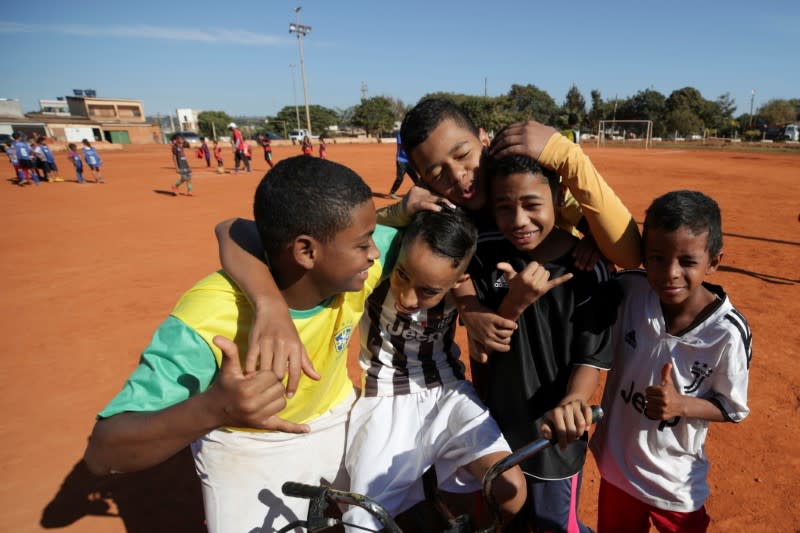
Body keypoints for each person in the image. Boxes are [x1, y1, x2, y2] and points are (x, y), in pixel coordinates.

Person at [83, 155, 399, 533]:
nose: (375, 252)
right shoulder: (209, 317)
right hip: (245, 446)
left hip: (338, 419)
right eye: (364, 244)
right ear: (306, 252)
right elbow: (103, 451)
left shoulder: (353, 264)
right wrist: (216, 408)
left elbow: (233, 228)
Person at [342, 208, 525, 531]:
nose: (408, 296)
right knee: (361, 521)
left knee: (509, 490)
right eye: (402, 275)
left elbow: (495, 279)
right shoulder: (373, 272)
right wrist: (399, 208)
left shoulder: (462, 286)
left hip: (449, 393)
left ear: (458, 281)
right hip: (385, 399)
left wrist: (512, 288)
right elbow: (348, 233)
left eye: (428, 291)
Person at [467, 153, 614, 532]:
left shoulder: (588, 270)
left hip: (553, 439)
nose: (518, 221)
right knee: (506, 521)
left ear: (558, 195)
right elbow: (482, 335)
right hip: (495, 426)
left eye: (532, 204)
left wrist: (574, 401)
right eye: (504, 207)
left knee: (554, 525)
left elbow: (591, 357)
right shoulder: (487, 255)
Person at [590, 190, 751, 533]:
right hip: (618, 470)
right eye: (658, 258)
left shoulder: (726, 333)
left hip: (676, 484)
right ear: (643, 257)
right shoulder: (630, 291)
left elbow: (732, 408)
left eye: (687, 261)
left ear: (715, 261)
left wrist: (682, 405)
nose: (670, 273)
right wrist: (589, 249)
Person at [388, 130, 417, 199]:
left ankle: (419, 193)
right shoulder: (400, 134)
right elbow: (400, 146)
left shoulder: (412, 134)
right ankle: (392, 193)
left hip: (409, 161)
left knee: (416, 179)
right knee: (400, 178)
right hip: (401, 160)